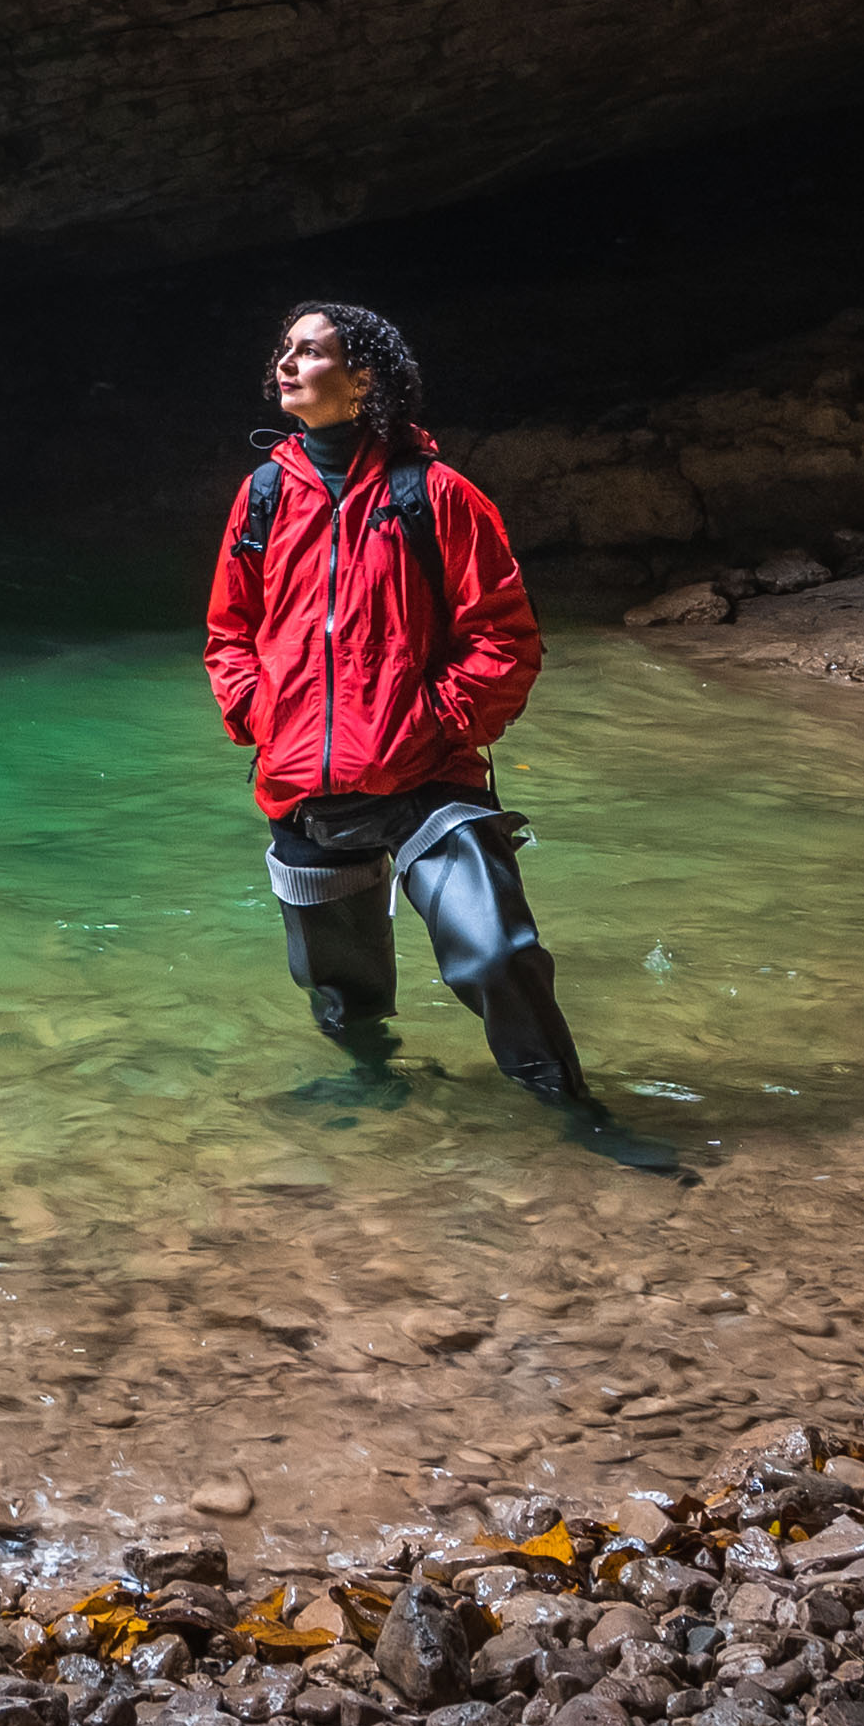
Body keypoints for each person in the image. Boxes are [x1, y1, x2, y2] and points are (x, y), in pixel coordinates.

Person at [201, 301, 676, 1171]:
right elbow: (228, 632)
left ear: (362, 378)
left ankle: (576, 1116)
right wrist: (260, 719)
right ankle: (374, 1091)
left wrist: (432, 723)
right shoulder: (262, 492)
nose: (286, 362)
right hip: (306, 787)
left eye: (310, 351)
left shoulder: (435, 493)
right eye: (284, 348)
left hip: (427, 781)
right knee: (342, 997)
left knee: (498, 956)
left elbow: (505, 639)